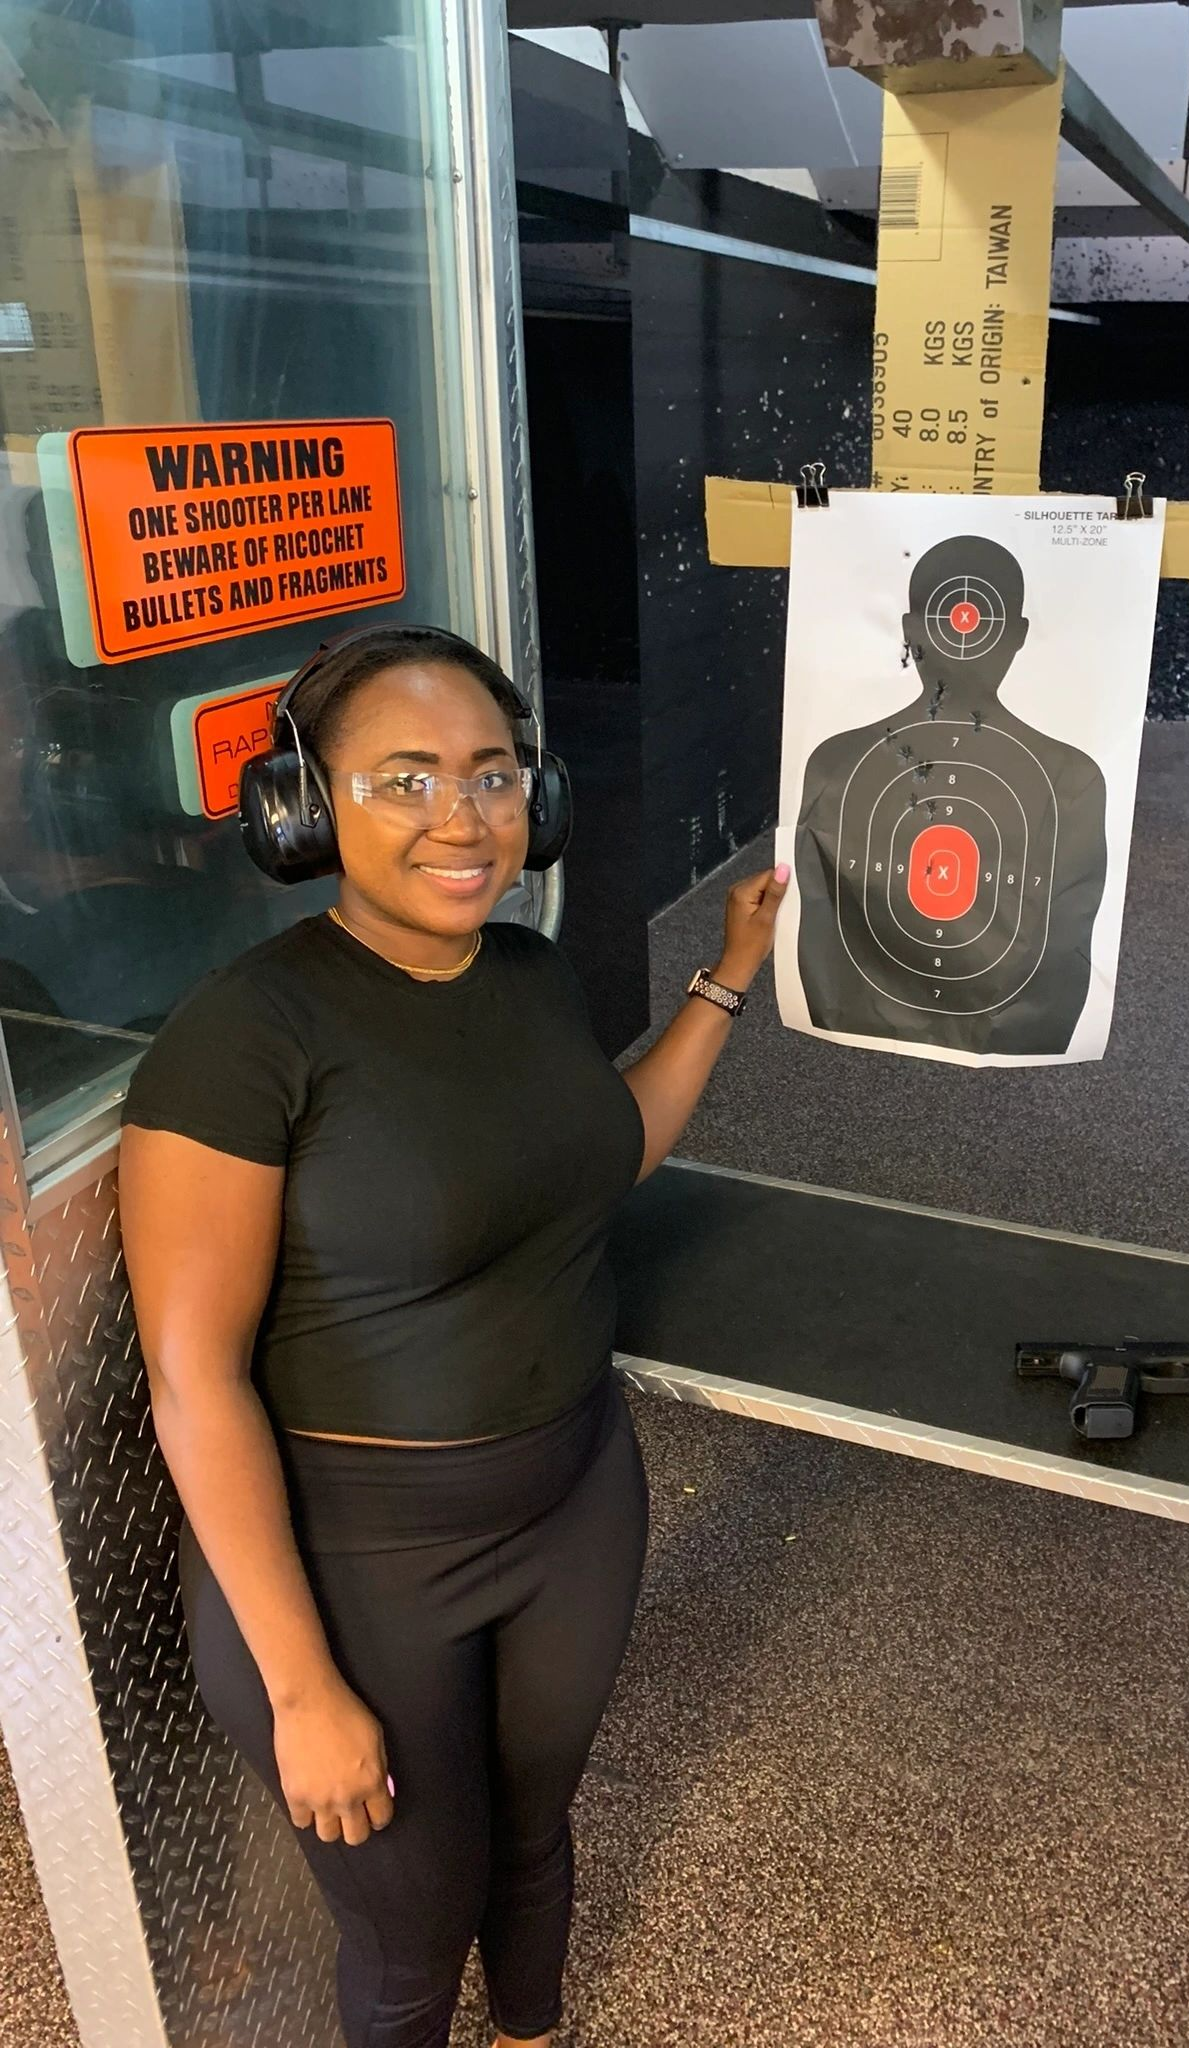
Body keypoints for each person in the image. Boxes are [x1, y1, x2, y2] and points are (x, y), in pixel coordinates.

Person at [118, 624, 788, 2048]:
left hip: (572, 1499)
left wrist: (725, 977)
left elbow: (614, 1147)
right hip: (360, 1560)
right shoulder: (243, 1039)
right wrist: (302, 1688)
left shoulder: (532, 975)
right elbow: (194, 1380)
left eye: (492, 777)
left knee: (535, 1837)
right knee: (411, 1930)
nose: (461, 820)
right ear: (305, 810)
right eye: (402, 781)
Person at [793, 533, 1107, 1055]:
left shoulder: (838, 760)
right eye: (948, 619)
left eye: (978, 620)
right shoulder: (1071, 776)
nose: (963, 637)